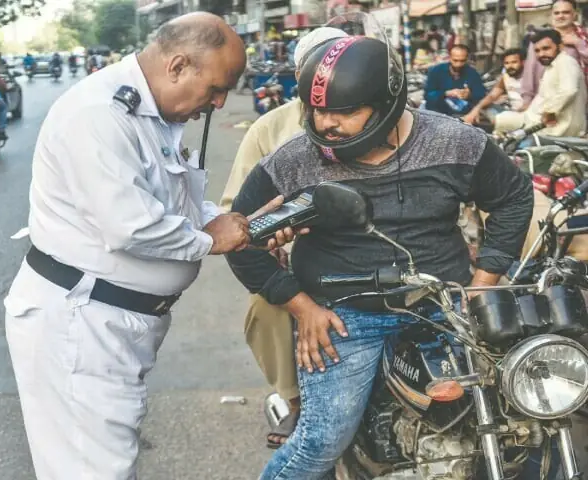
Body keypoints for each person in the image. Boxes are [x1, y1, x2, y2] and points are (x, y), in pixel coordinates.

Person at [224, 17, 533, 479]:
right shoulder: (293, 160)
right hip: (343, 316)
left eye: (343, 111)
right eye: (315, 110)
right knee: (319, 445)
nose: (324, 123)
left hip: (444, 305)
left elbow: (514, 196)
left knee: (509, 423)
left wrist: (483, 282)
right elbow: (241, 238)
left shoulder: (456, 141)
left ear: (386, 102)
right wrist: (301, 306)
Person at [3, 12, 289, 480]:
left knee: (108, 465)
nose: (220, 103)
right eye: (216, 88)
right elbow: (129, 226)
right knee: (96, 471)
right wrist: (209, 239)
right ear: (177, 66)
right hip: (83, 326)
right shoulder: (98, 114)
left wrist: (235, 224)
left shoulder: (151, 114)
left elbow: (173, 203)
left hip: (114, 324)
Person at [219, 26, 348, 450]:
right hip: (294, 255)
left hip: (365, 251)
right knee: (267, 307)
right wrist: (273, 233)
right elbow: (235, 213)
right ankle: (294, 399)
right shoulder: (270, 129)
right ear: (300, 76)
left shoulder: (382, 117)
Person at [494, 29, 586, 138]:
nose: (541, 54)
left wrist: (550, 112)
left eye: (546, 48)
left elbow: (569, 90)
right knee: (500, 121)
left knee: (500, 123)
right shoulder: (553, 65)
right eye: (537, 51)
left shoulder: (566, 62)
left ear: (560, 46)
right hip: (536, 119)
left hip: (556, 127)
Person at [520, 0, 588, 106]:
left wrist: (578, 43)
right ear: (551, 15)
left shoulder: (583, 36)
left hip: (577, 100)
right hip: (545, 98)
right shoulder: (540, 37)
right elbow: (530, 70)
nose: (561, 16)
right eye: (557, 13)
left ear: (575, 14)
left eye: (566, 12)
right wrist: (527, 99)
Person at [462, 48, 526, 126]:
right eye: (507, 63)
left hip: (526, 114)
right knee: (483, 106)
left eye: (514, 62)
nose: (510, 66)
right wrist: (475, 110)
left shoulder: (531, 78)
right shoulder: (506, 77)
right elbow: (492, 96)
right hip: (512, 111)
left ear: (523, 62)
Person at [424, 44, 487, 116]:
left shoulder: (472, 73)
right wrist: (446, 93)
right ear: (449, 58)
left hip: (462, 115)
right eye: (455, 60)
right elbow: (427, 96)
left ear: (467, 59)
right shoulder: (436, 71)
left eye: (462, 61)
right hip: (439, 113)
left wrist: (469, 95)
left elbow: (482, 95)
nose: (458, 64)